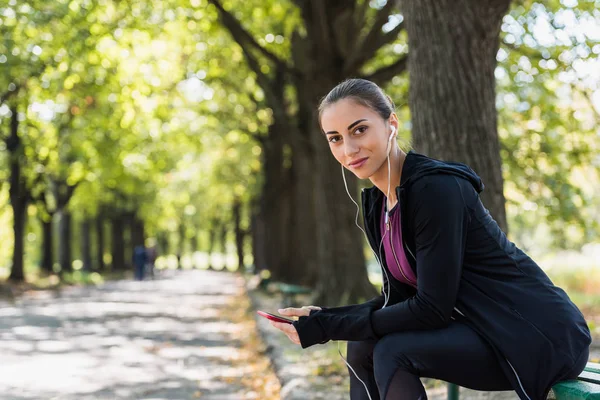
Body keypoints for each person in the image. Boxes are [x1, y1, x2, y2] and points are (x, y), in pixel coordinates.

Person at [267, 79, 591, 400]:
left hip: (535, 334)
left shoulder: (434, 190)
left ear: (391, 124)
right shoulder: (380, 206)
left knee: (393, 351)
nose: (348, 149)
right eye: (335, 138)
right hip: (480, 328)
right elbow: (397, 300)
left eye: (359, 130)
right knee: (363, 344)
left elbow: (431, 309)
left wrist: (328, 327)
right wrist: (325, 318)